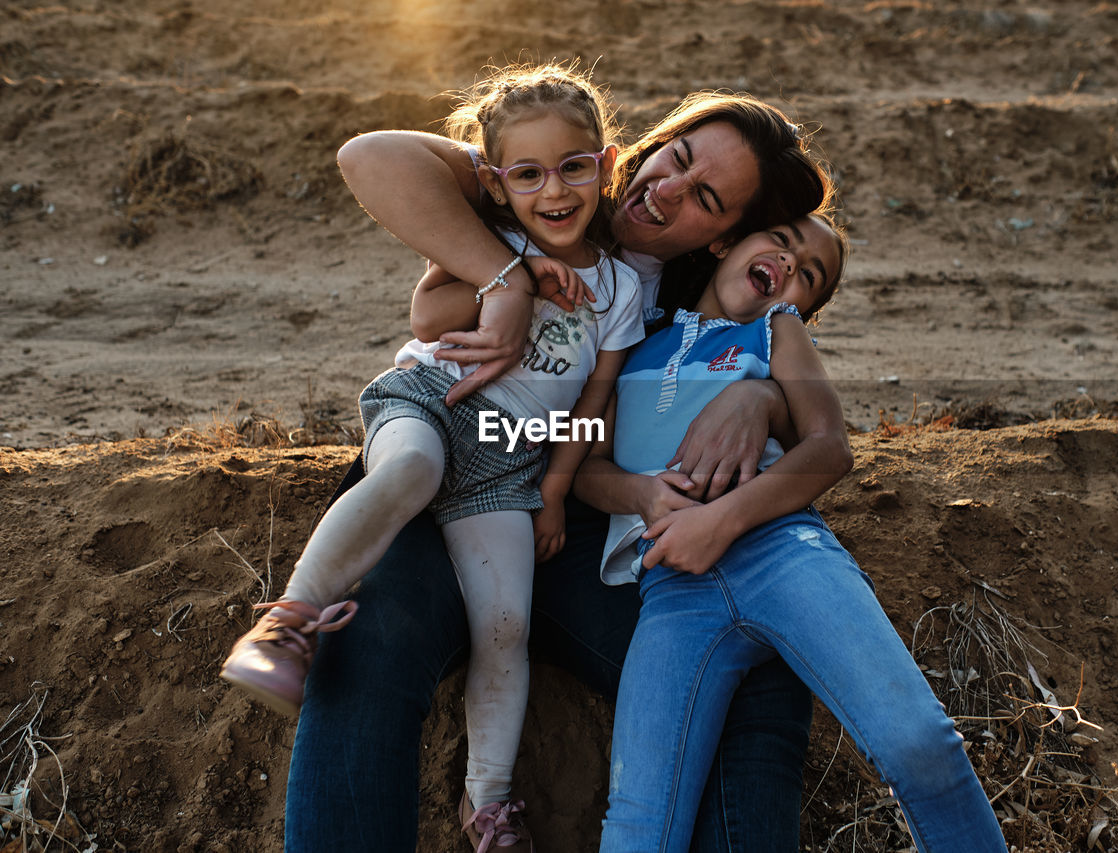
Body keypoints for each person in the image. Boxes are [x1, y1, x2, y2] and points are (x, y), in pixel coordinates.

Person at [283, 88, 835, 852]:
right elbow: (369, 156)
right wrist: (504, 277)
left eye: (706, 198)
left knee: (752, 675)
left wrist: (763, 399)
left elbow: (786, 338)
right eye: (674, 157)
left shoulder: (692, 293)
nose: (666, 190)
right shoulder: (551, 181)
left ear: (726, 236)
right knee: (366, 642)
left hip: (579, 516)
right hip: (450, 450)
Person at [220, 63, 646, 851]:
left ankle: (487, 803)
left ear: (607, 165)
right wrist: (511, 280)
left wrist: (555, 490)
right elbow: (427, 310)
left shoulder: (621, 288)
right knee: (409, 472)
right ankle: (287, 623)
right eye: (527, 174)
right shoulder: (493, 241)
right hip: (428, 405)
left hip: (510, 464)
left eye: (574, 167)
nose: (553, 189)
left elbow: (596, 401)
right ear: (494, 181)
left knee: (507, 623)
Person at [581, 214, 1007, 853]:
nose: (788, 264)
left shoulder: (774, 331)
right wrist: (642, 493)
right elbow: (588, 462)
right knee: (639, 825)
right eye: (779, 241)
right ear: (724, 242)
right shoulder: (636, 340)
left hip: (785, 555)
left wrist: (718, 520)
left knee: (916, 742)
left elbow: (830, 448)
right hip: (672, 593)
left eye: (809, 275)